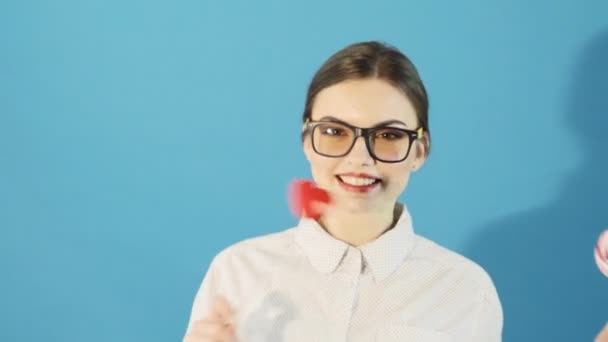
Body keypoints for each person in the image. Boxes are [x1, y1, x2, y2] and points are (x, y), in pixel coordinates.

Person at [183, 41, 503, 342]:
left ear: (420, 151)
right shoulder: (238, 272)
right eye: (335, 132)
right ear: (307, 141)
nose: (359, 158)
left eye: (389, 135)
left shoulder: (465, 290)